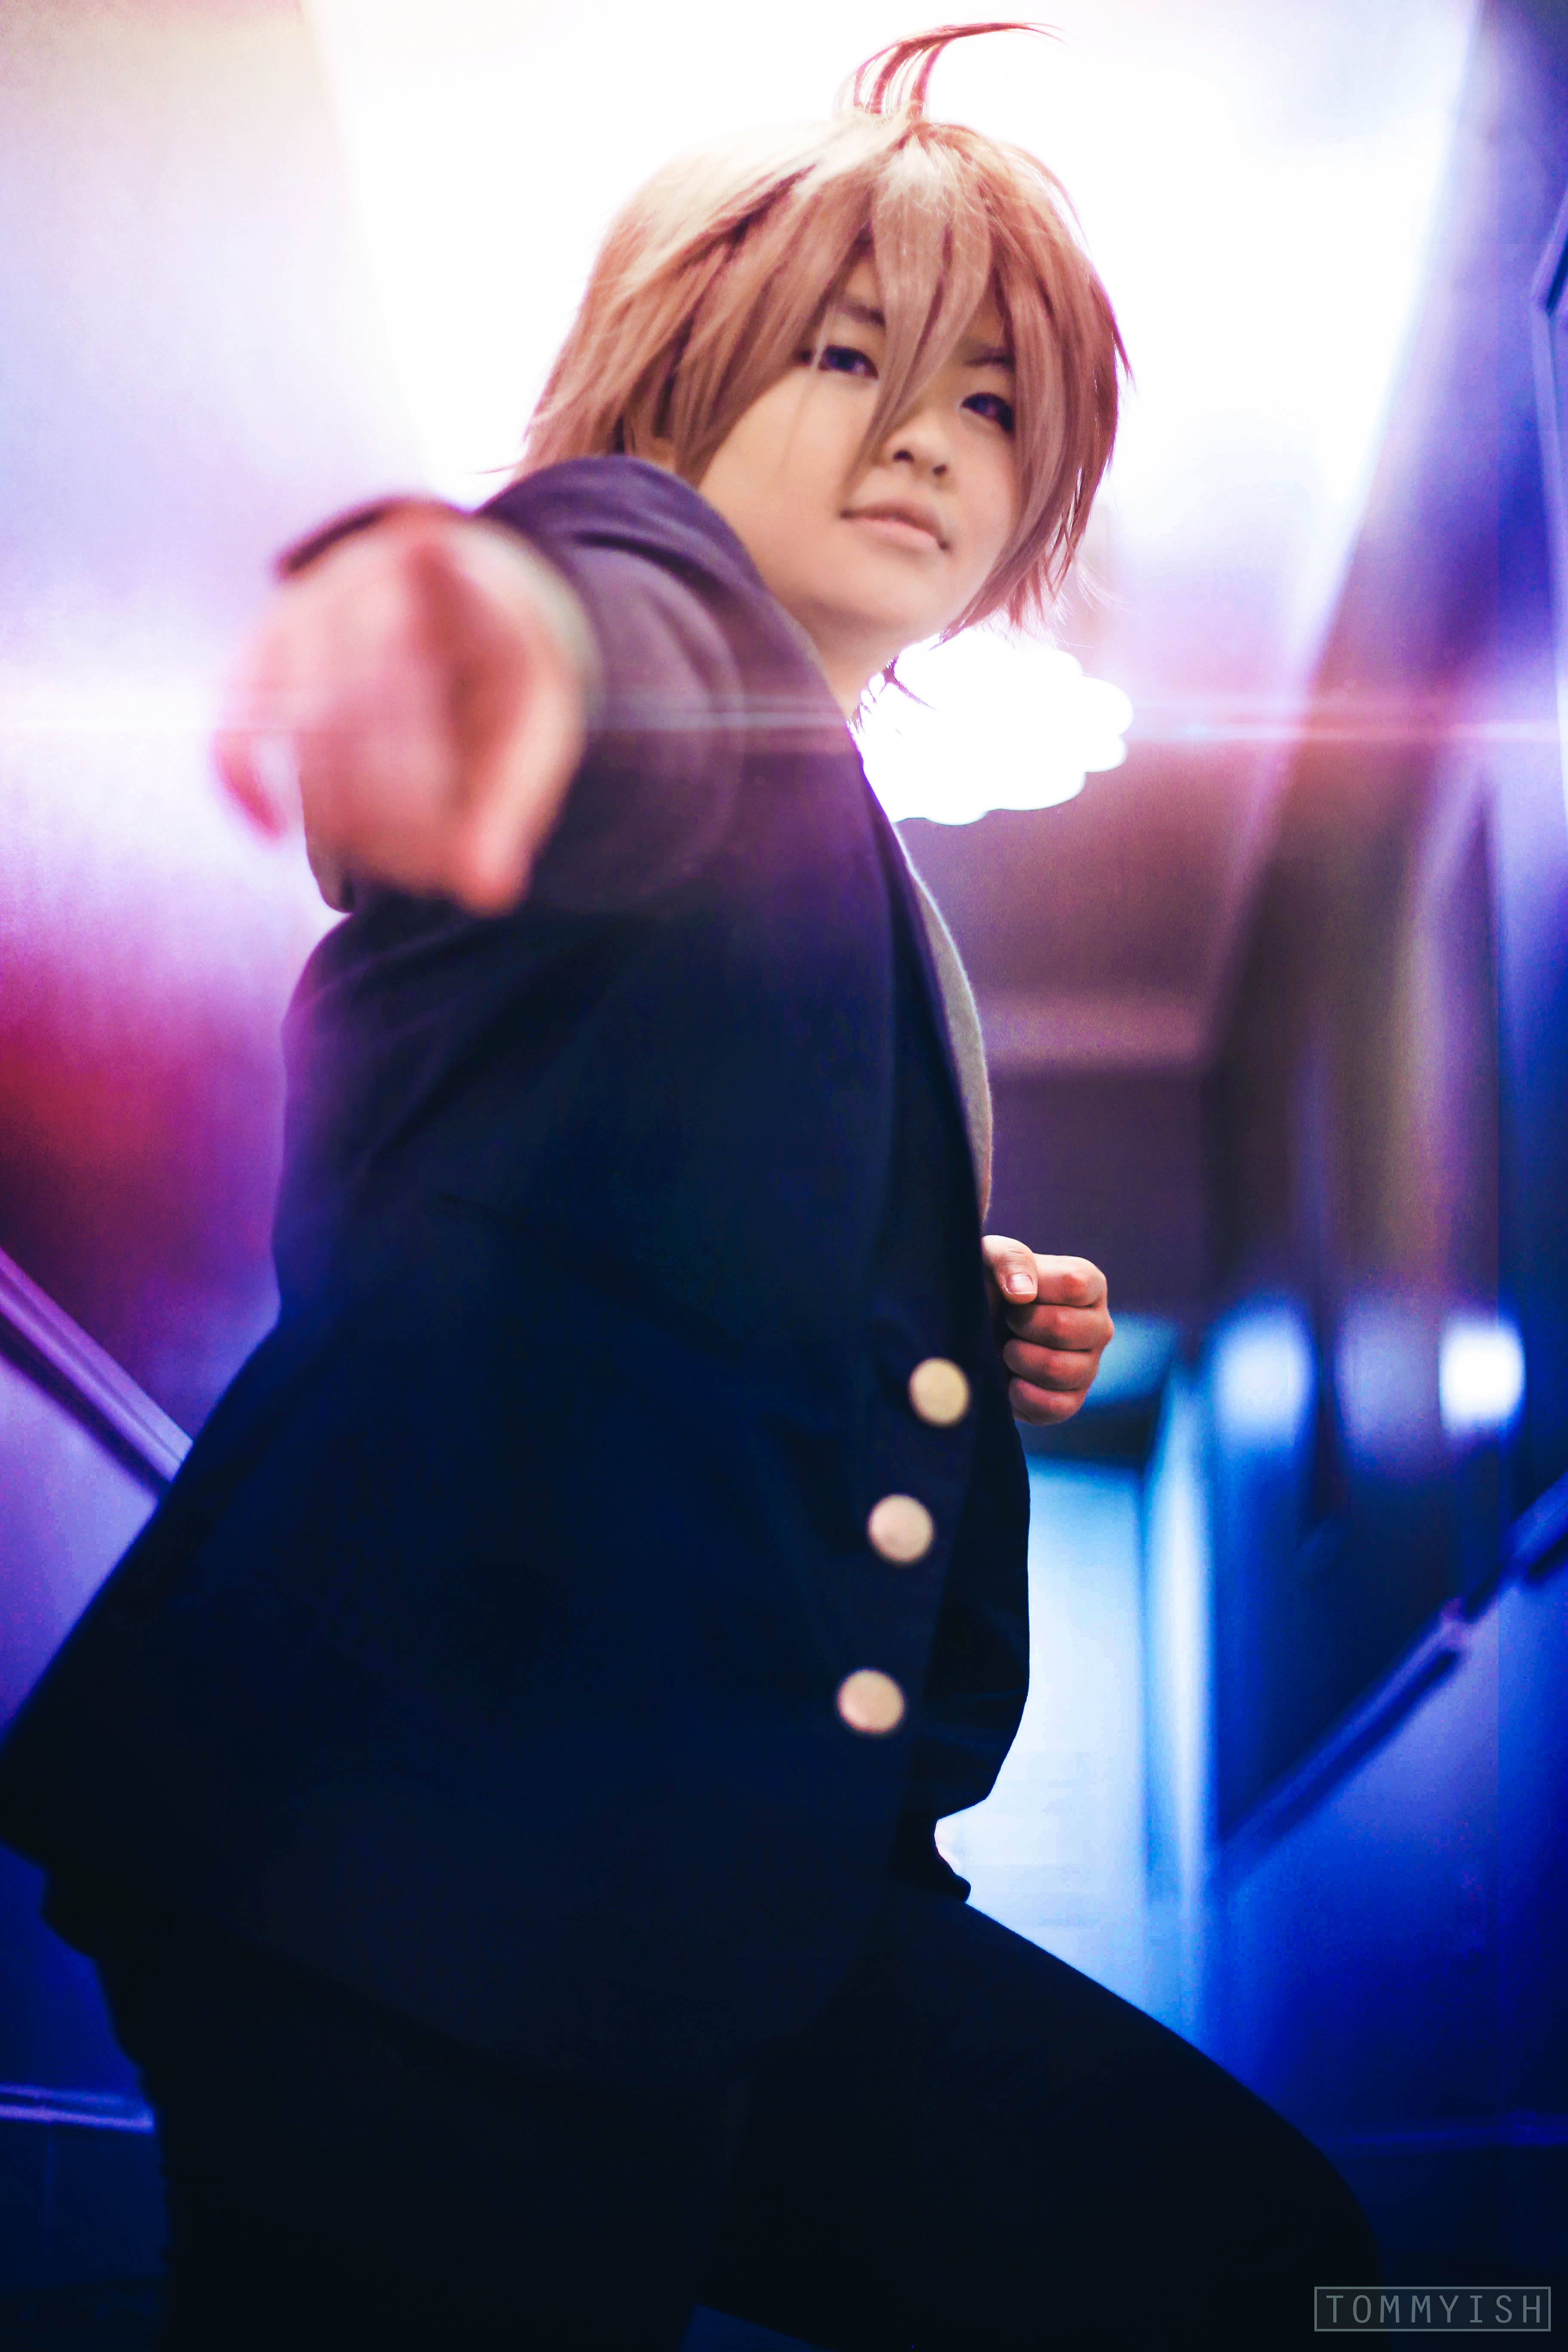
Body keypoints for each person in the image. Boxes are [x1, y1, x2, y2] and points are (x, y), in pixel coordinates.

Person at [0, 24, 1378, 2348]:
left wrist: (933, 1294)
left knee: (1257, 2261)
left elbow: (665, 1175)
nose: (929, 440)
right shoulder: (636, 591)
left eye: (993, 406)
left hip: (719, 1883)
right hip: (432, 1863)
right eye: (851, 358)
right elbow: (561, 636)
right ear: (678, 374)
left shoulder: (842, 842)